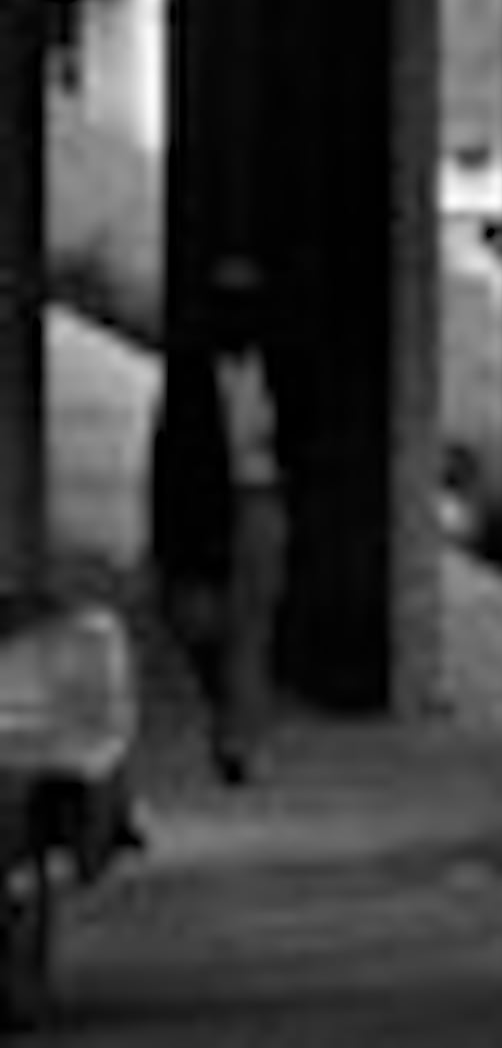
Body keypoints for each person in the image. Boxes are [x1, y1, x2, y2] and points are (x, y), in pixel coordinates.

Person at [146, 254, 285, 784]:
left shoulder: (278, 367)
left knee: (253, 627)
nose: (238, 318)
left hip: (261, 500)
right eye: (228, 306)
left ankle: (238, 742)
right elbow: (167, 455)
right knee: (201, 625)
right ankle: (227, 709)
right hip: (208, 508)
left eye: (247, 306)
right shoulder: (190, 374)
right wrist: (163, 534)